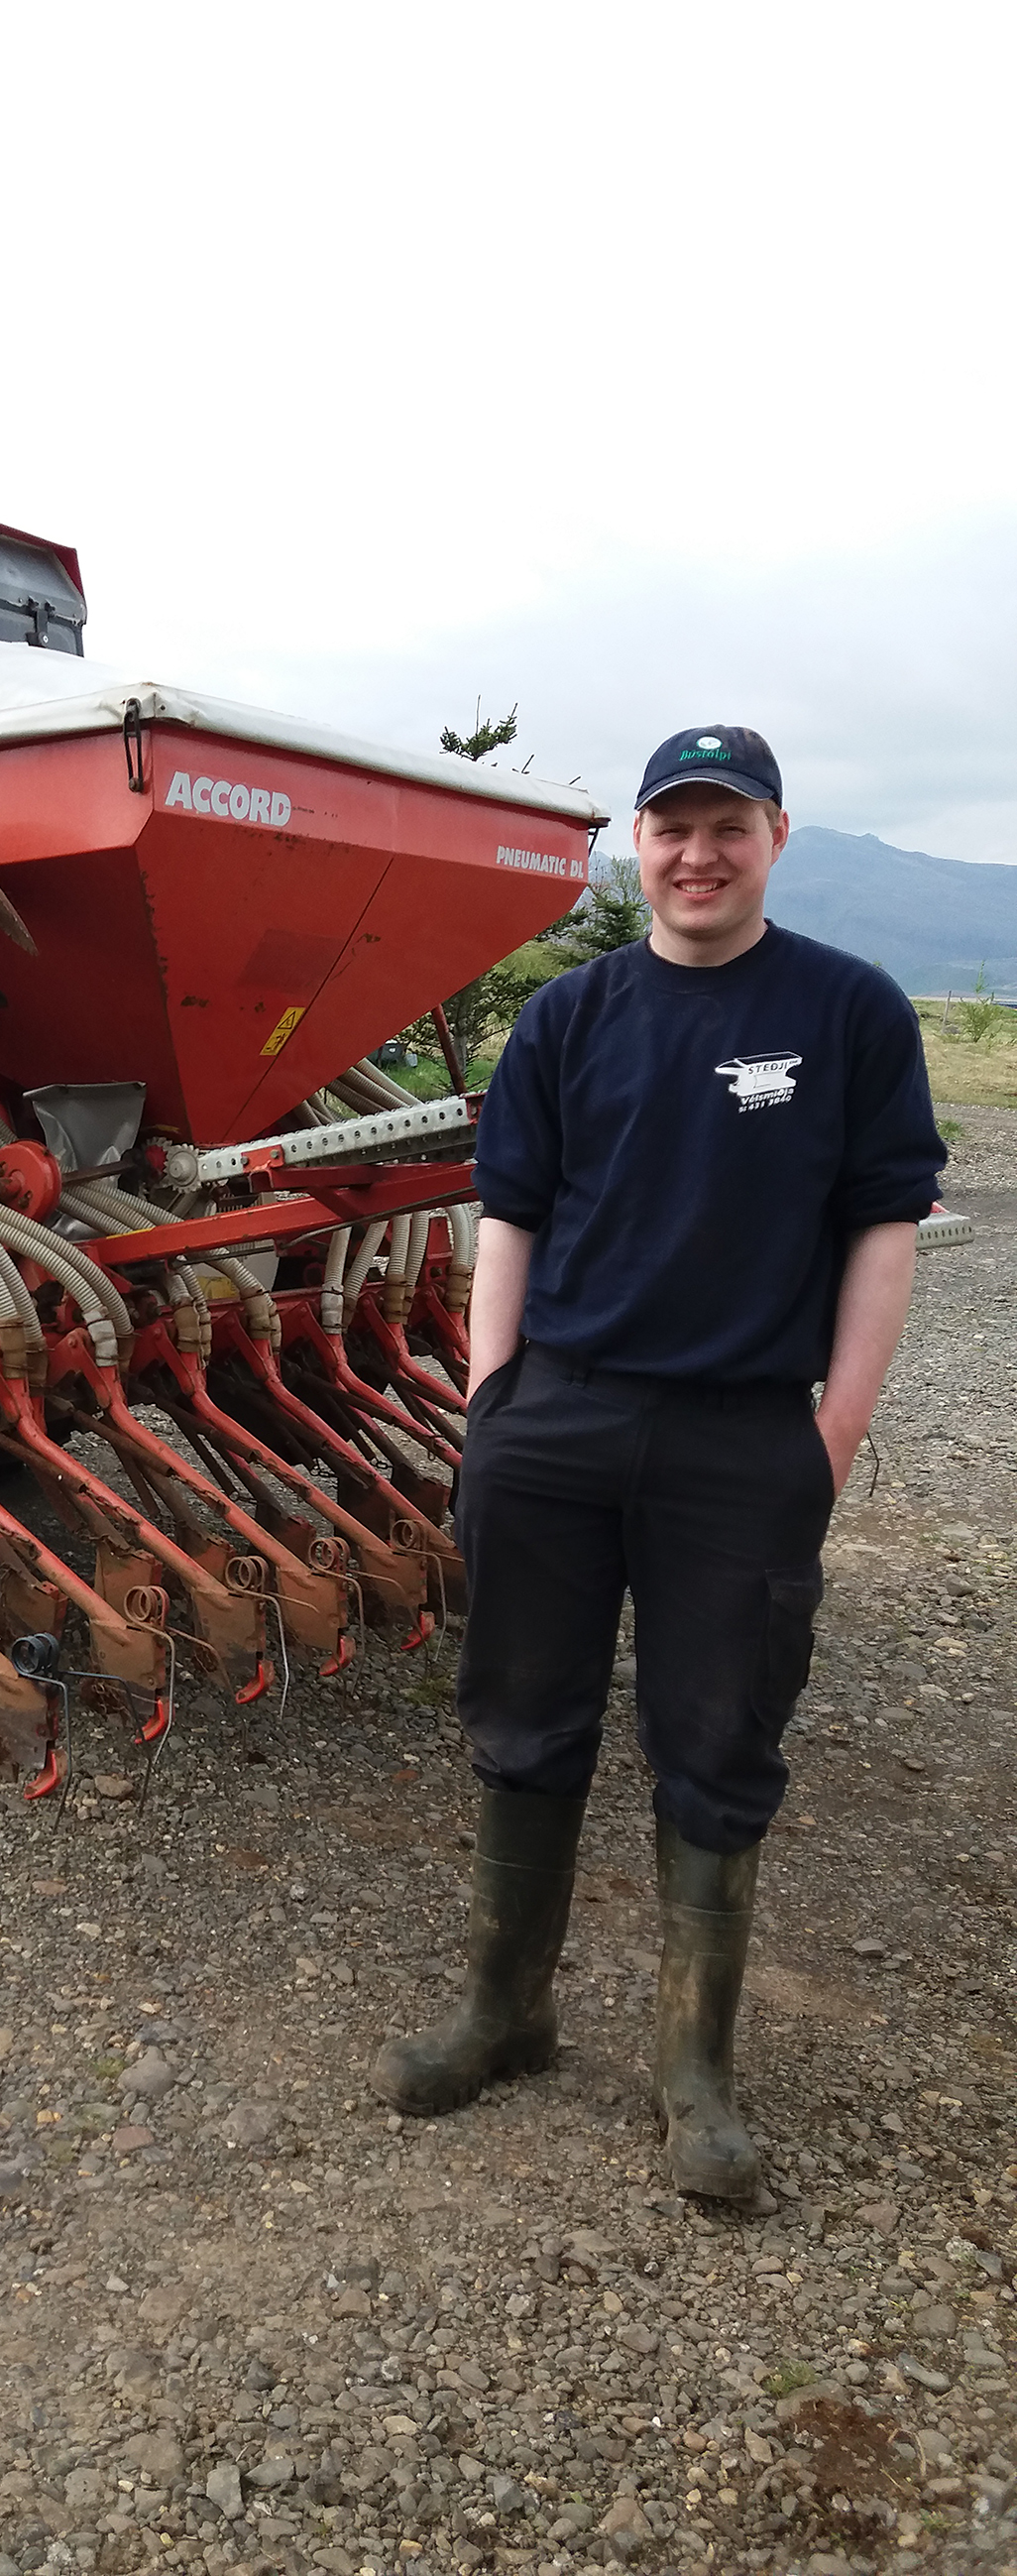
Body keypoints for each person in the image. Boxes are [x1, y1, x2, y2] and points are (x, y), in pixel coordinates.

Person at [371, 725, 946, 2201]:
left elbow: (882, 1228)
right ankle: (507, 2011)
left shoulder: (848, 1010)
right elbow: (508, 1211)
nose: (695, 854)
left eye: (726, 826)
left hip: (741, 1436)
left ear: (774, 837)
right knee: (519, 1713)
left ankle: (693, 2072)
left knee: (717, 1738)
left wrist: (832, 1432)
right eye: (669, 825)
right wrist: (493, 1397)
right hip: (554, 1420)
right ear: (634, 842)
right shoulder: (568, 1017)